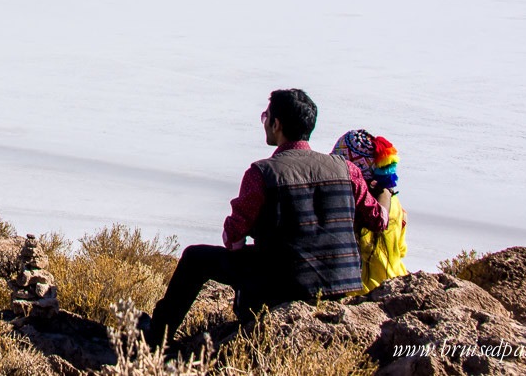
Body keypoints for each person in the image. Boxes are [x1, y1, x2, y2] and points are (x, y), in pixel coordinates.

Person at [147, 89, 390, 349]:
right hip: (340, 285)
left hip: (283, 284)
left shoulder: (262, 173)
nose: (264, 121)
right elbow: (379, 221)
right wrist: (386, 190)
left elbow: (233, 236)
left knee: (195, 258)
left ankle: (155, 340)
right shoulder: (347, 169)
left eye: (266, 116)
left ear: (276, 124)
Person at [332, 130, 408, 293]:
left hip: (359, 292)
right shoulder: (394, 204)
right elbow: (401, 251)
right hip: (394, 284)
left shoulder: (347, 205)